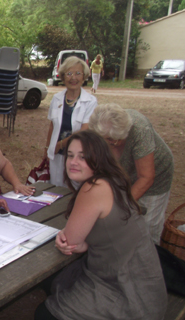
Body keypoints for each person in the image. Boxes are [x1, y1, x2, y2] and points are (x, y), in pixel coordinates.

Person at [35, 130, 166, 320]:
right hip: (147, 289)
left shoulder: (94, 188)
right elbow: (93, 237)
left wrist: (69, 237)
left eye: (83, 157)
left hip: (127, 296)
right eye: (70, 155)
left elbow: (69, 241)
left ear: (99, 158)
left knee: (44, 313)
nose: (73, 162)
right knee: (56, 280)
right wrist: (83, 242)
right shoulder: (114, 180)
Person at [89, 103, 174, 243]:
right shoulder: (99, 127)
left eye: (114, 142)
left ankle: (149, 259)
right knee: (121, 224)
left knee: (146, 225)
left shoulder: (140, 129)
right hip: (125, 173)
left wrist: (120, 206)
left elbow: (146, 177)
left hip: (156, 177)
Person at [43, 56, 97, 187]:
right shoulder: (56, 99)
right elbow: (52, 126)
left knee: (75, 189)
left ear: (84, 77)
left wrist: (60, 144)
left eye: (78, 73)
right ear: (62, 77)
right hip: (57, 155)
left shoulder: (90, 101)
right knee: (56, 187)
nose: (74, 78)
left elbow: (84, 131)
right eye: (69, 73)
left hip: (78, 155)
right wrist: (47, 149)